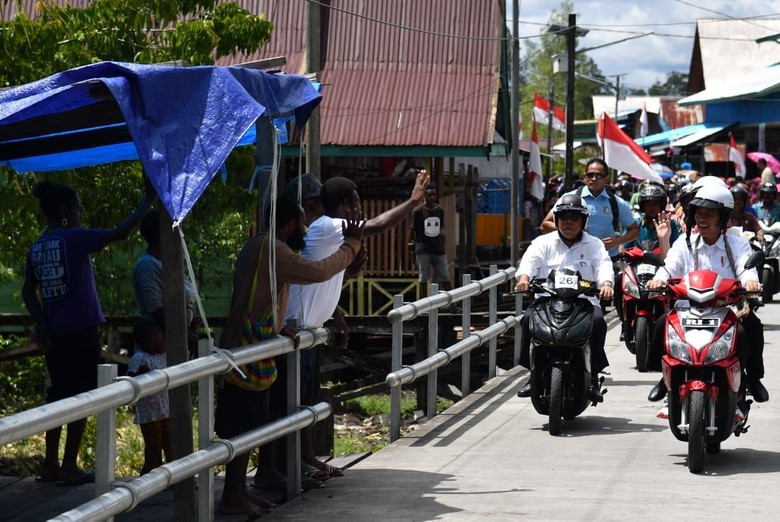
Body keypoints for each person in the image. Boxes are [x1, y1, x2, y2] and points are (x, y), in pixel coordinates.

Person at [275, 170, 429, 484]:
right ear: (346, 204)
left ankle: (305, 459)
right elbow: (380, 225)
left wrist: (337, 312)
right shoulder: (329, 226)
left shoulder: (329, 232)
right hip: (294, 327)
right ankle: (288, 468)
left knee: (305, 401)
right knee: (292, 404)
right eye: (357, 204)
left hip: (311, 328)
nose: (360, 211)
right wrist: (413, 201)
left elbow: (324, 278)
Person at [215, 194, 364, 518]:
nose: (306, 228)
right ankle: (232, 495)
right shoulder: (274, 248)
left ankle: (238, 492)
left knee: (251, 426)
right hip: (247, 349)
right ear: (289, 223)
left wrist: (276, 329)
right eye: (301, 222)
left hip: (252, 341)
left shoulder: (258, 244)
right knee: (244, 427)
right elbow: (319, 271)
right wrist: (351, 245)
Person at [22, 179, 154, 485]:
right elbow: (119, 233)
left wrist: (41, 322)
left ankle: (50, 464)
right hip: (81, 332)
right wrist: (146, 202)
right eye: (78, 208)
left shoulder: (38, 247)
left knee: (57, 397)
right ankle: (69, 464)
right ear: (65, 210)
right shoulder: (74, 238)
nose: (81, 214)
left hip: (54, 335)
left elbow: (29, 291)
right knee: (82, 397)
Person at [646, 183, 767, 404]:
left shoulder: (738, 245)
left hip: (726, 309)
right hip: (688, 309)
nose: (702, 218)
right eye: (699, 213)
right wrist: (658, 280)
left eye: (709, 213)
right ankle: (665, 378)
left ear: (722, 216)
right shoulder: (685, 243)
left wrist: (751, 283)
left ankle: (752, 379)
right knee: (662, 323)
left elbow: (746, 269)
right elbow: (668, 267)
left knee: (750, 329)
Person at [515, 194, 614, 402]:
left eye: (575, 217)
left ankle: (594, 376)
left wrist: (606, 284)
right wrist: (524, 279)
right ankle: (532, 375)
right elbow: (529, 262)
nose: (569, 222)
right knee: (526, 319)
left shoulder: (595, 245)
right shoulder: (542, 242)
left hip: (583, 303)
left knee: (598, 321)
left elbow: (603, 265)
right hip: (547, 301)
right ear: (557, 219)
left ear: (583, 222)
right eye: (564, 217)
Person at [132, 210, 199, 357]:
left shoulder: (170, 263)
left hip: (179, 342)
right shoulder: (147, 265)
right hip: (159, 349)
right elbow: (158, 312)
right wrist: (191, 340)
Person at [127, 320, 171, 475]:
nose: (165, 340)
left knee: (170, 443)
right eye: (161, 336)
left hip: (165, 410)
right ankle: (149, 476)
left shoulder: (165, 356)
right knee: (153, 446)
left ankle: (173, 477)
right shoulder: (139, 358)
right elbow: (130, 379)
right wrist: (141, 375)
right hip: (149, 413)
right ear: (152, 339)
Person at [410, 186, 452, 292]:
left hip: (438, 249)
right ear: (425, 196)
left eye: (434, 195)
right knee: (423, 278)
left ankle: (452, 305)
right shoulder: (418, 211)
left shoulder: (440, 210)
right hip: (423, 249)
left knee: (445, 276)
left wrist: (443, 243)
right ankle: (423, 304)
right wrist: (411, 247)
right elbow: (412, 230)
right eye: (429, 195)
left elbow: (441, 228)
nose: (432, 197)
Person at [633, 183, 682, 259]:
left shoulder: (672, 225)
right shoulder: (635, 224)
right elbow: (624, 247)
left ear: (661, 205)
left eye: (655, 204)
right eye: (647, 204)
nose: (651, 207)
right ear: (642, 206)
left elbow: (680, 247)